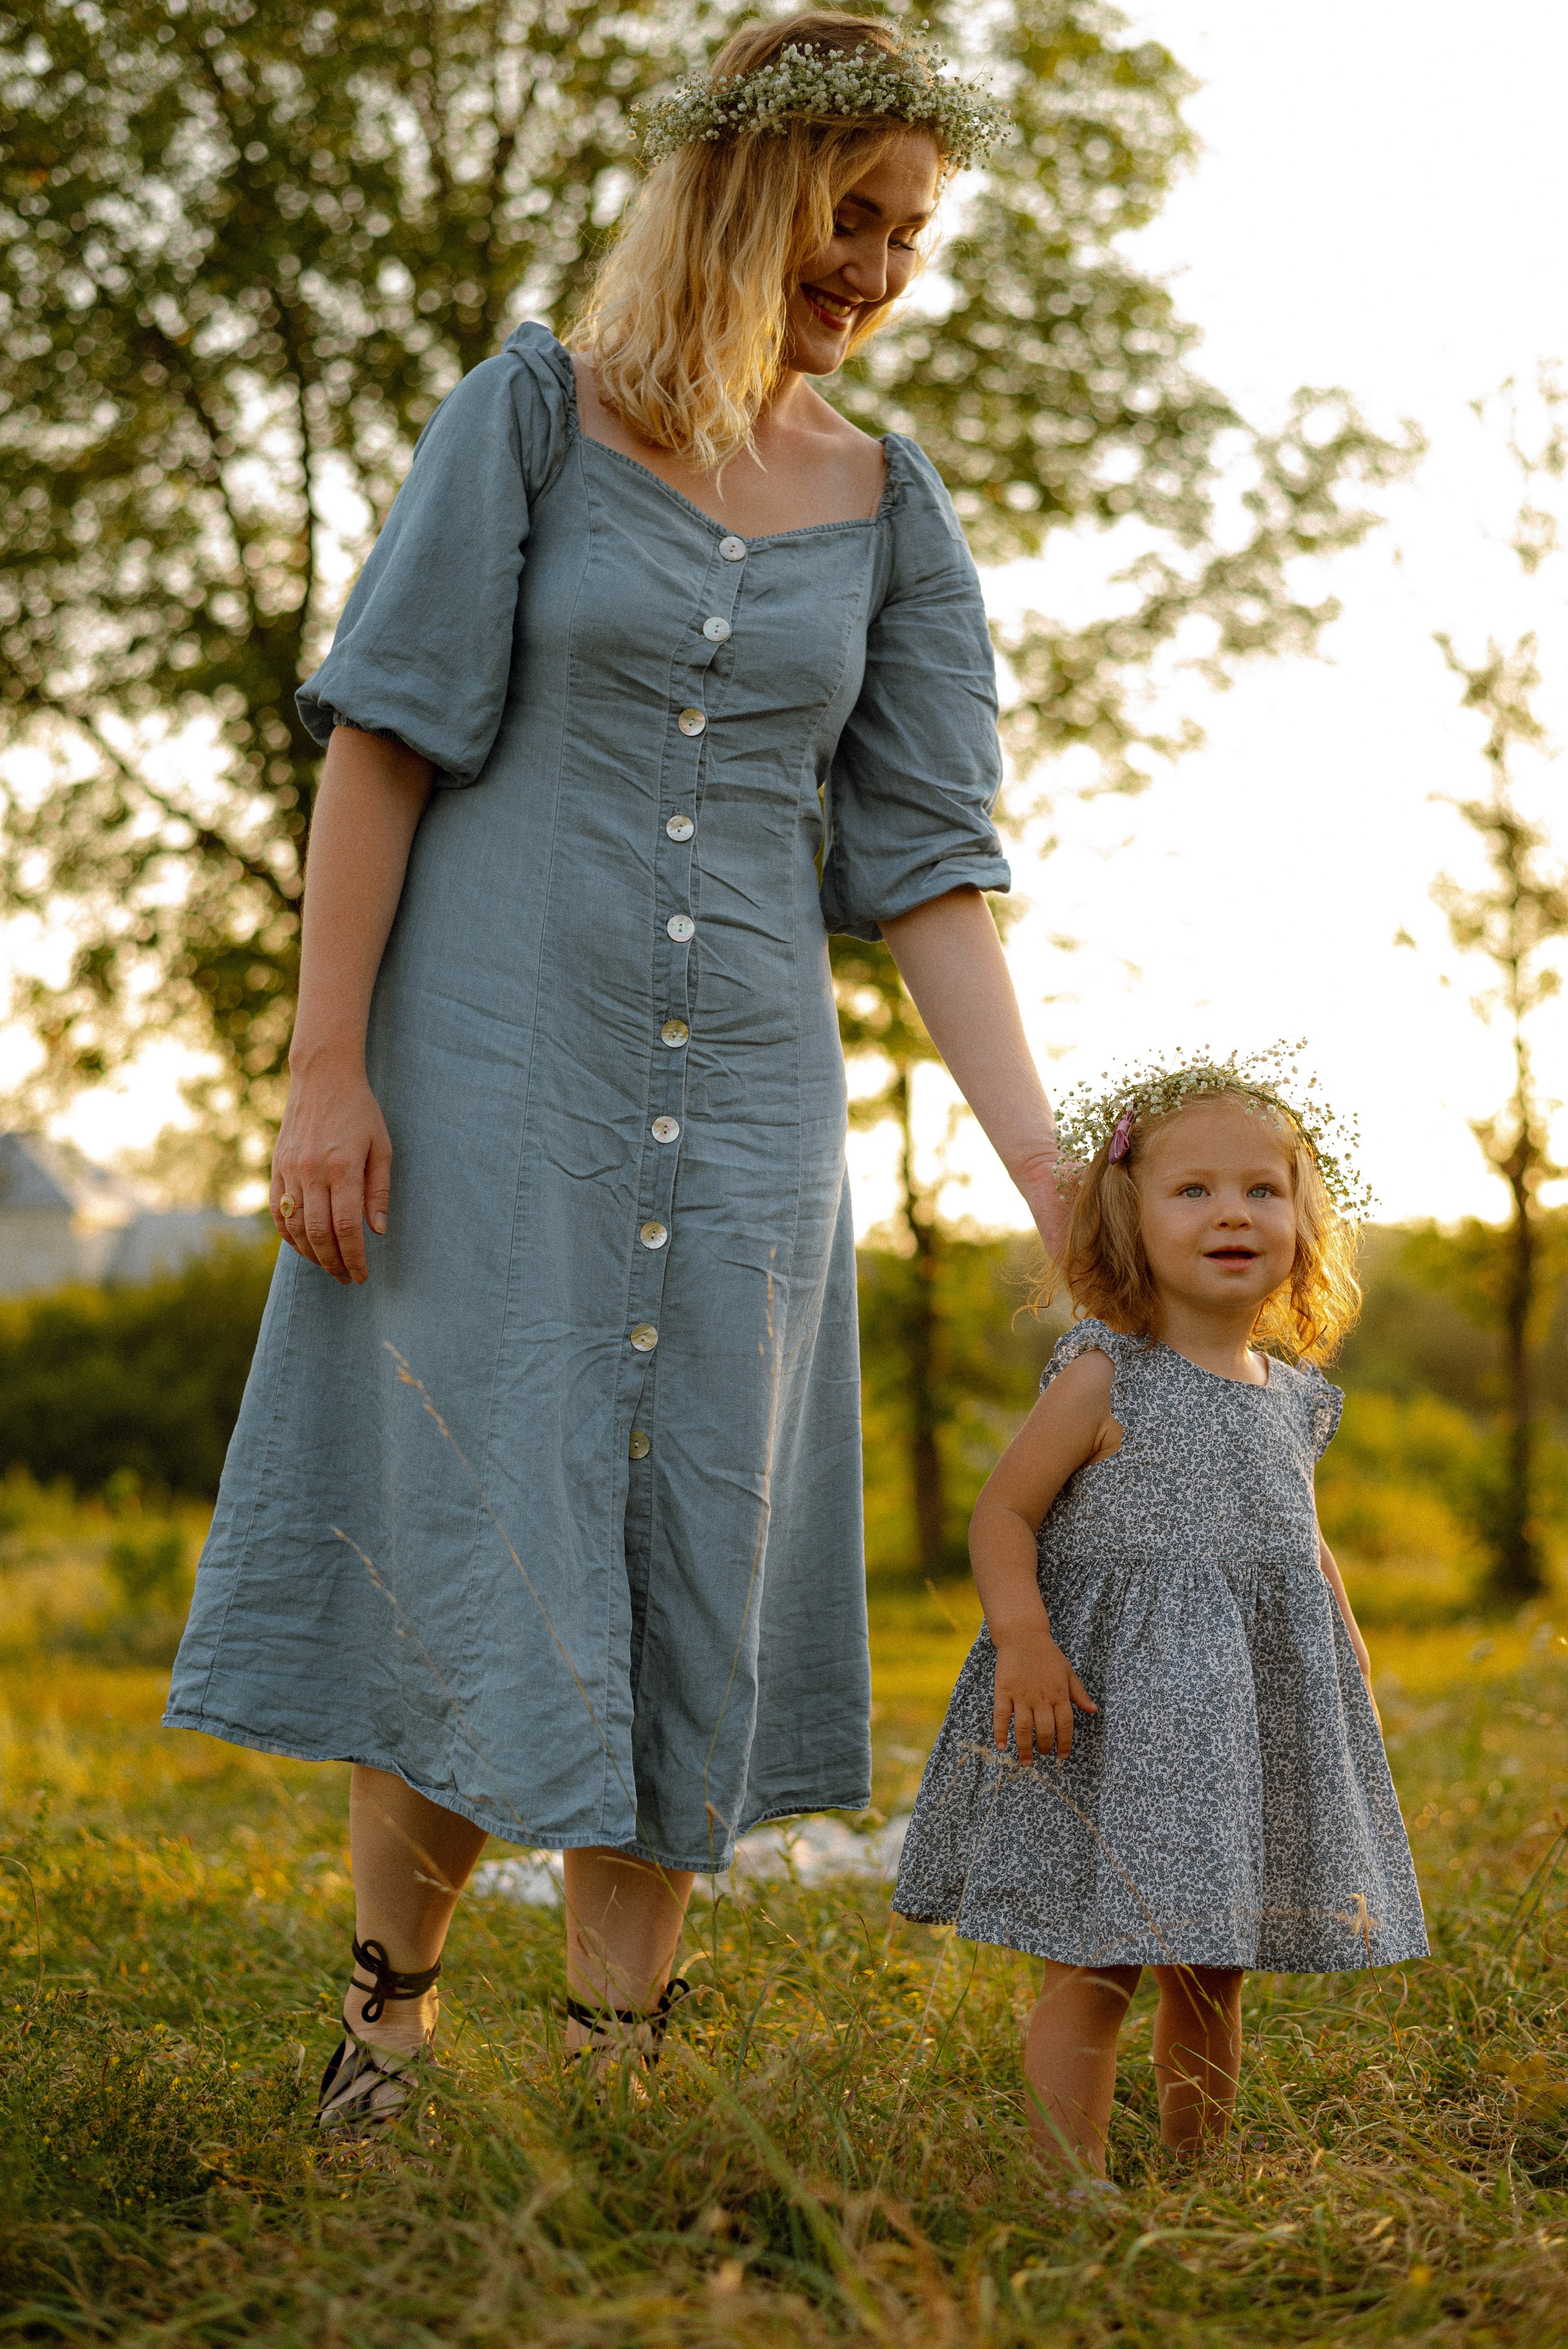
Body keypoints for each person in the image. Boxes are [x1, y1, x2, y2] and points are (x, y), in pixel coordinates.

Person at [165, 12, 1065, 2130]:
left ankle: (618, 2068)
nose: (877, 268)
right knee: (475, 1523)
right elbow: (383, 739)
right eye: (851, 215)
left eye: (911, 233)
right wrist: (325, 1073)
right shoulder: (533, 420)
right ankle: (387, 2017)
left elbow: (931, 869)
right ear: (741, 191)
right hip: (484, 1081)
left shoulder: (888, 502)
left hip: (753, 1106)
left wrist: (1055, 1174)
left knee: (695, 1555)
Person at [892, 1054, 1428, 2177]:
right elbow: (1003, 1513)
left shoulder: (1292, 1399)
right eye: (1193, 1190)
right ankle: (1066, 2181)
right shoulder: (1105, 1375)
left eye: (1262, 1191)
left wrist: (1349, 1657)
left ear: (1302, 1225)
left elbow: (1298, 1542)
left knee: (1214, 1963)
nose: (1233, 1211)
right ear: (1130, 1220)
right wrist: (1025, 1639)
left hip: (1241, 1733)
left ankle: (1199, 2166)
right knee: (1096, 1960)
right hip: (1118, 1719)